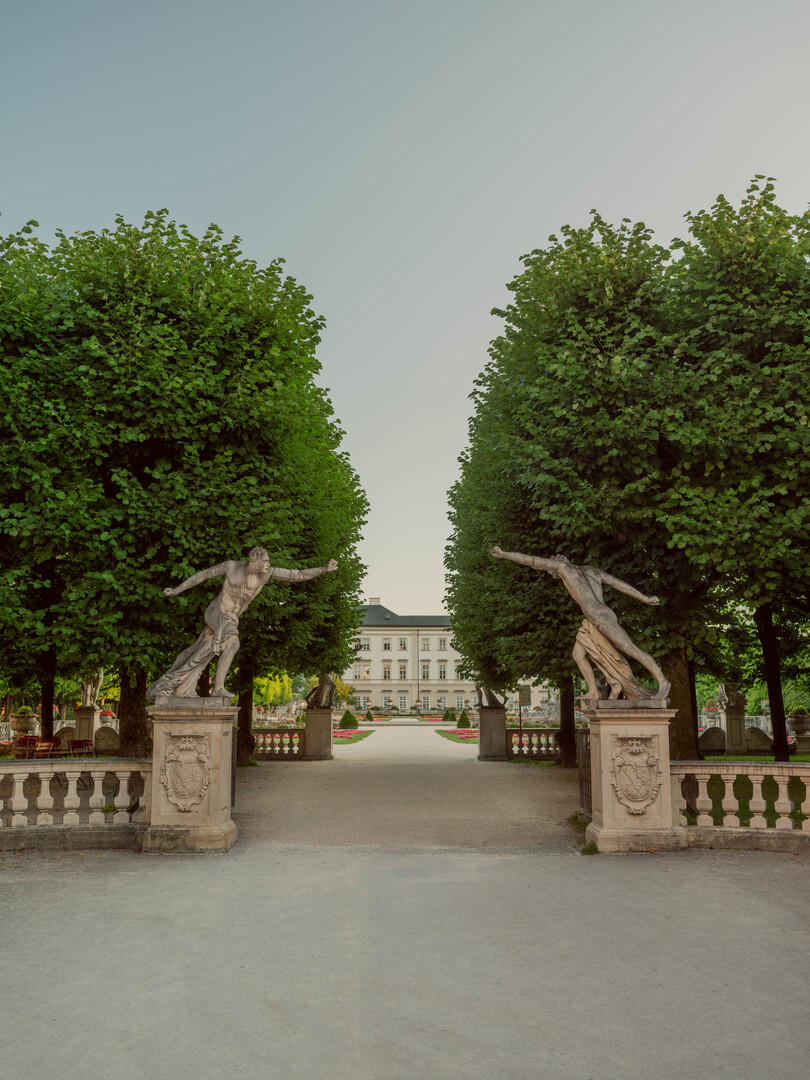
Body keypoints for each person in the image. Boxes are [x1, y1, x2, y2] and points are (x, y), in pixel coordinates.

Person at [147, 547, 338, 700]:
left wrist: (324, 569)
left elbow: (297, 575)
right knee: (233, 642)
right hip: (216, 613)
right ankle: (219, 688)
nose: (268, 564)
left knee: (209, 651)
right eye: (266, 561)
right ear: (254, 560)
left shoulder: (267, 574)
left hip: (231, 618)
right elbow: (203, 575)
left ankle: (175, 682)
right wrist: (177, 590)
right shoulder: (231, 567)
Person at [490, 547, 670, 701]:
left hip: (600, 618)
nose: (552, 574)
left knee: (630, 648)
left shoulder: (562, 567)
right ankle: (596, 690)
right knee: (578, 654)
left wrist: (504, 554)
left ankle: (663, 681)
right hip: (595, 619)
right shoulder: (592, 570)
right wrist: (644, 598)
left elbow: (532, 561)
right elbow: (619, 584)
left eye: (551, 571)